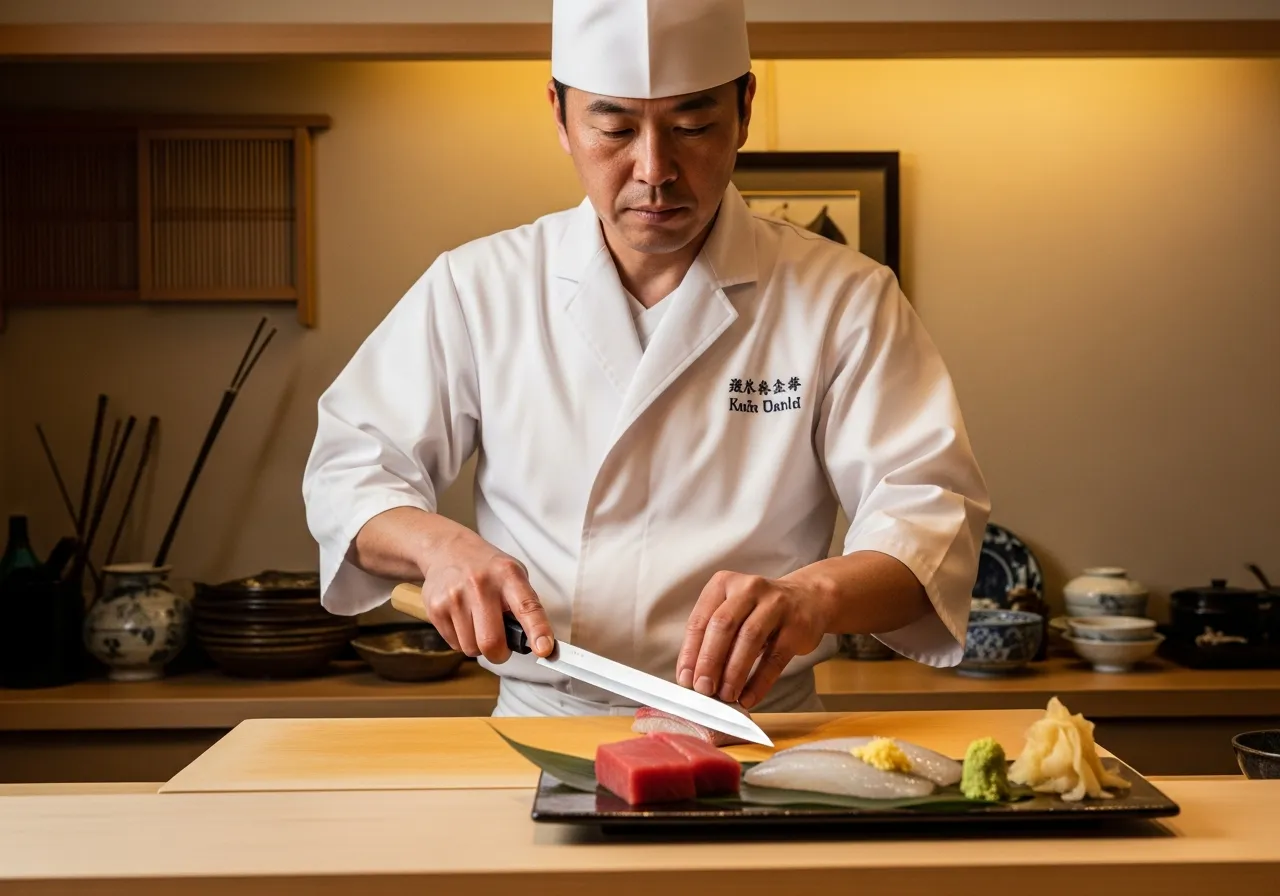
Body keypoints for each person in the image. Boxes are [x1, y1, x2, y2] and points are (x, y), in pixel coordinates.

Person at [302, 0, 990, 718]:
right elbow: (350, 470)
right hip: (545, 723)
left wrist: (810, 596)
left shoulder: (845, 298)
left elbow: (929, 512)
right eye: (615, 126)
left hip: (761, 729)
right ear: (560, 114)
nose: (655, 169)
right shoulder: (478, 287)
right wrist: (438, 547)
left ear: (745, 108)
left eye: (693, 125)